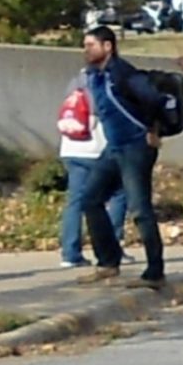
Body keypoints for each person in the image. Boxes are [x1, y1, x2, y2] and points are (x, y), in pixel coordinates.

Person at [73, 26, 167, 287]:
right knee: (90, 199)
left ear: (107, 47)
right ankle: (108, 262)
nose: (86, 50)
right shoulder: (94, 75)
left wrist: (153, 130)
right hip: (113, 148)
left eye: (91, 45)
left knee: (140, 209)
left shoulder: (123, 73)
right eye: (85, 45)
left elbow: (154, 100)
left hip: (135, 147)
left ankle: (155, 272)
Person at [55, 72, 128, 269]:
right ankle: (112, 248)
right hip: (96, 149)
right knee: (119, 194)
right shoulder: (107, 82)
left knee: (75, 201)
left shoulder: (75, 82)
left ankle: (70, 254)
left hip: (70, 147)